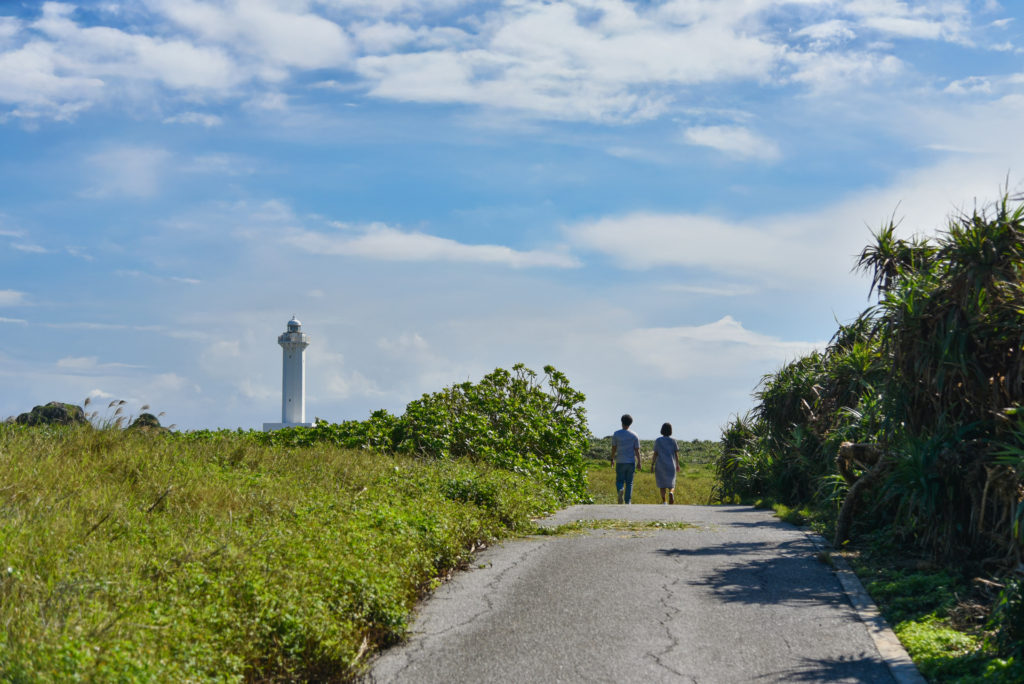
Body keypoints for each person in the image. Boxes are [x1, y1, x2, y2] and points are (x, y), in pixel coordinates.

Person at [610, 414, 641, 504]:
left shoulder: (616, 434)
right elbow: (637, 450)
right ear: (630, 423)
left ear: (621, 422)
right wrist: (639, 462)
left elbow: (614, 448)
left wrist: (612, 459)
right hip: (631, 462)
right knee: (629, 482)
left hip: (620, 461)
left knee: (619, 480)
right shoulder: (634, 435)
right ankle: (628, 501)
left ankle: (620, 490)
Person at [652, 422, 680, 504]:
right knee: (672, 483)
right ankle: (671, 492)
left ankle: (664, 501)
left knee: (662, 484)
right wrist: (677, 464)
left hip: (660, 465)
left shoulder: (658, 440)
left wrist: (652, 464)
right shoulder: (673, 441)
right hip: (671, 465)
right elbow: (676, 454)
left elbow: (655, 454)